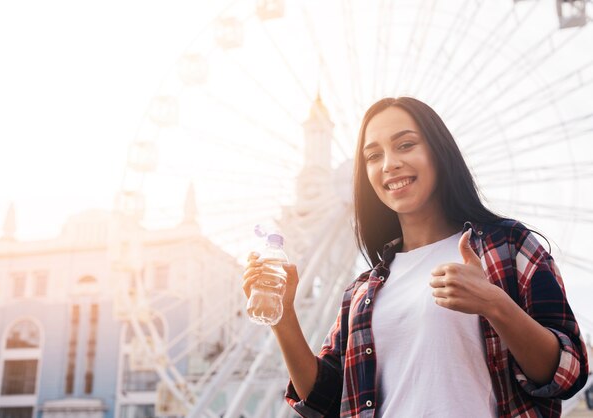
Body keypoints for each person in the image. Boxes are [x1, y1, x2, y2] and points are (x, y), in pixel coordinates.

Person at [242, 97, 589, 418]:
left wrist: (495, 304)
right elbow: (328, 402)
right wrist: (283, 317)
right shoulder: (362, 292)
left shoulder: (508, 246)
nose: (390, 164)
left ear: (439, 152)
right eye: (373, 156)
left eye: (406, 145)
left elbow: (567, 373)